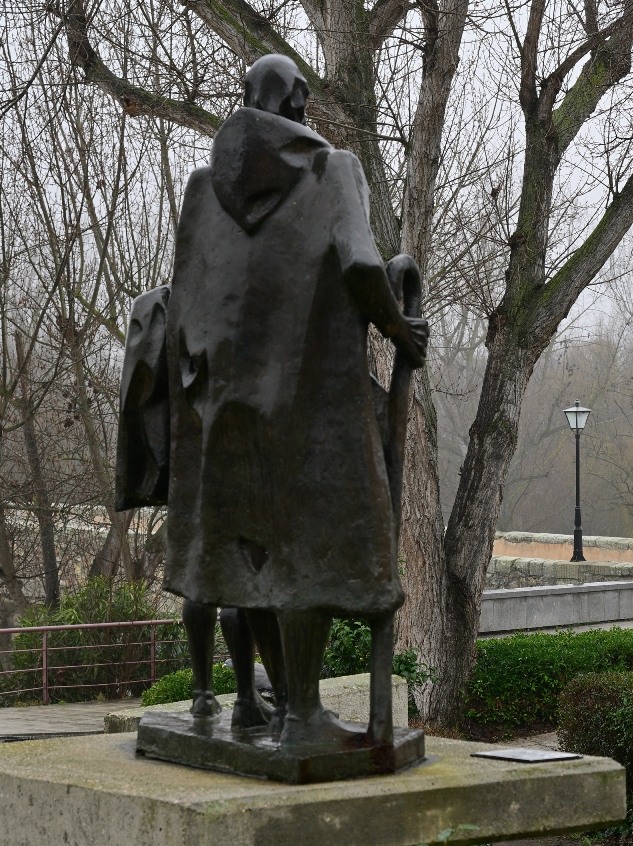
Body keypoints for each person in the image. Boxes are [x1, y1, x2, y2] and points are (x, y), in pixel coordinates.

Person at [119, 54, 428, 751]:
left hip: (220, 412)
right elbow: (357, 264)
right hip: (309, 408)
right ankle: (303, 714)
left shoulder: (202, 191)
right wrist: (398, 326)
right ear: (298, 103)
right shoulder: (332, 170)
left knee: (248, 562)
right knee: (308, 555)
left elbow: (185, 302)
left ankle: (285, 704)